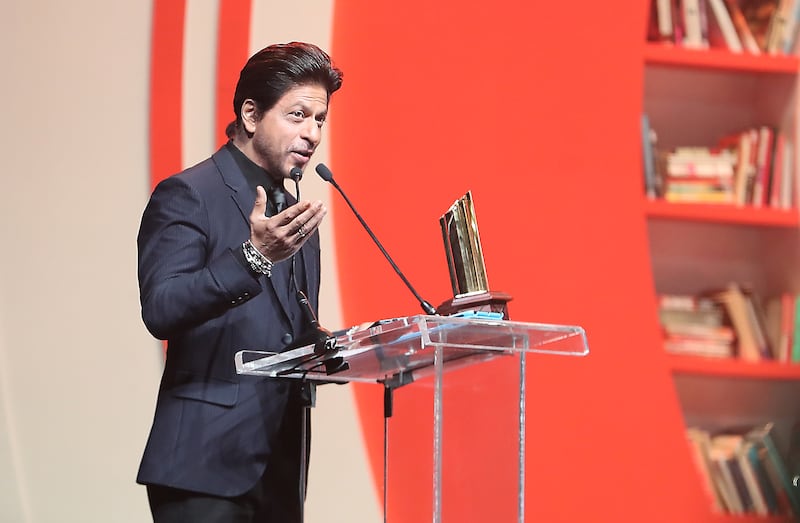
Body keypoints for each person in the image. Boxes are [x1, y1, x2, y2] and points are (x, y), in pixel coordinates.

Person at [136, 42, 343, 522]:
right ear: (251, 114)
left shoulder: (294, 214)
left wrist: (336, 346)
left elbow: (288, 329)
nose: (312, 134)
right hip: (202, 468)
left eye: (320, 120)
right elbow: (162, 308)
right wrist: (252, 257)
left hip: (281, 469)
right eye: (297, 115)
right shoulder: (188, 193)